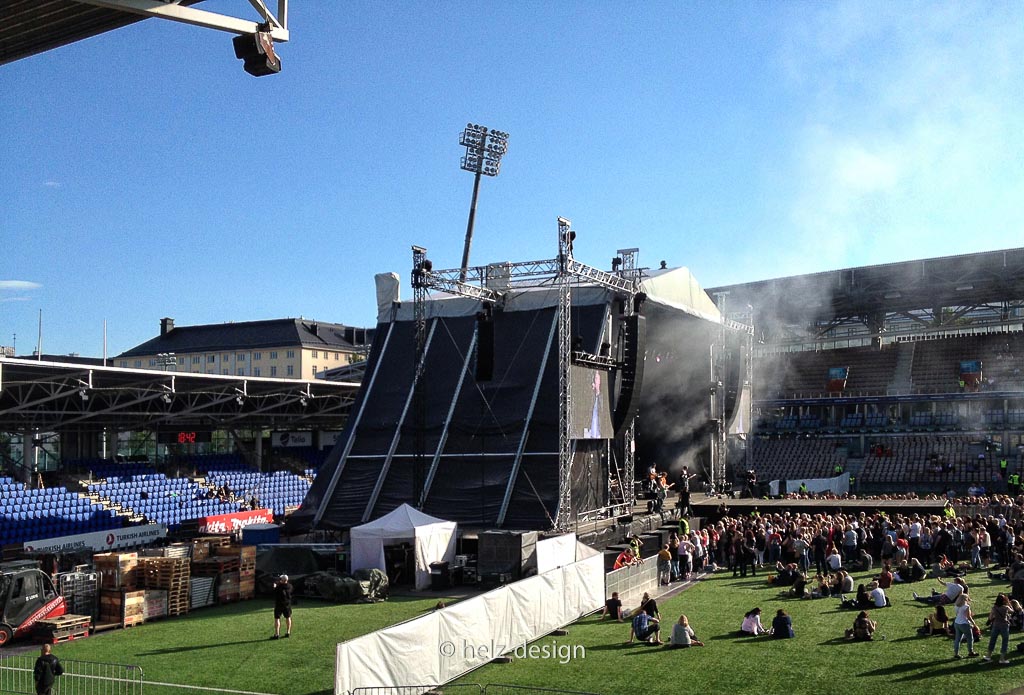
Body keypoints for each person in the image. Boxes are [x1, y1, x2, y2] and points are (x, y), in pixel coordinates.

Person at [983, 594, 1013, 664]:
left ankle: (988, 656)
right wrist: (1008, 603)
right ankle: (1002, 659)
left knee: (992, 640)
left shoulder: (994, 608)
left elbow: (990, 618)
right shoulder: (1006, 607)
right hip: (1004, 626)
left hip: (996, 625)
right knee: (1004, 642)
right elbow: (1012, 611)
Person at [952, 593, 979, 659]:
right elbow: (968, 617)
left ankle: (956, 653)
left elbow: (958, 614)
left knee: (957, 639)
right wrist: (974, 624)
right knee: (970, 638)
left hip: (957, 622)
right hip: (964, 624)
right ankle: (970, 652)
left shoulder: (956, 605)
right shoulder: (966, 606)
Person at [271, 574, 293, 639]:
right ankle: (288, 632)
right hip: (287, 605)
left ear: (282, 580)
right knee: (288, 617)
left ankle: (277, 634)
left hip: (279, 605)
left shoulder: (279, 587)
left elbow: (275, 593)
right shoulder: (290, 586)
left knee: (277, 618)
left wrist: (274, 587)